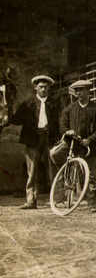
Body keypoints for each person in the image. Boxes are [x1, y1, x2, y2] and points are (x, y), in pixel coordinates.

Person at [7, 75, 60, 209]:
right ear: (35, 88)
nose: (43, 89)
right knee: (32, 170)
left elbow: (60, 120)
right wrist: (8, 111)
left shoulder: (54, 103)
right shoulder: (27, 103)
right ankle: (31, 200)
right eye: (41, 87)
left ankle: (58, 200)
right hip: (32, 139)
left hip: (50, 137)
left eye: (46, 87)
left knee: (53, 168)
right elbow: (16, 120)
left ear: (49, 88)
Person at [59, 80, 96, 213]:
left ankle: (92, 204)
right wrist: (67, 131)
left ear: (88, 91)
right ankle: (72, 199)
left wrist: (90, 140)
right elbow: (62, 124)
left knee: (90, 175)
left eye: (82, 90)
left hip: (90, 147)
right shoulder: (70, 109)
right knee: (76, 174)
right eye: (77, 91)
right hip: (74, 146)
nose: (79, 93)